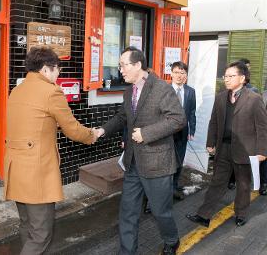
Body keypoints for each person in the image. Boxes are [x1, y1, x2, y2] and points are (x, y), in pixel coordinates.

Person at [3, 46, 98, 255]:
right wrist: (93, 134)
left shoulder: (17, 89)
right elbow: (72, 129)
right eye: (57, 70)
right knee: (41, 234)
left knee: (27, 226)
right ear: (46, 69)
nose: (58, 75)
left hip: (16, 168)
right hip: (36, 173)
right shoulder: (51, 91)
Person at [95, 47, 186, 255]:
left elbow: (178, 119)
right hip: (133, 162)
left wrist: (146, 133)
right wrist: (102, 130)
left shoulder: (162, 88)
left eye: (123, 65)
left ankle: (172, 240)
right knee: (128, 212)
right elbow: (122, 118)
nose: (120, 70)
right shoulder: (129, 92)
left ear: (137, 65)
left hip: (157, 163)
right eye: (119, 66)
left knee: (160, 211)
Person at [186, 61, 267, 228]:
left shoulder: (255, 99)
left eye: (231, 76)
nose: (227, 79)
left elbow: (262, 127)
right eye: (225, 76)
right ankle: (204, 215)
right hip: (223, 148)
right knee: (217, 182)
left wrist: (262, 151)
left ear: (243, 78)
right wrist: (210, 142)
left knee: (243, 185)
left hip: (246, 150)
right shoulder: (221, 97)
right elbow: (214, 121)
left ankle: (241, 214)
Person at [228, 58, 258, 189]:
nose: (248, 70)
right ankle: (231, 179)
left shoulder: (254, 91)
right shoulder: (227, 93)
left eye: (248, 67)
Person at [170, 61, 196, 200]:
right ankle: (161, 191)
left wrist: (192, 130)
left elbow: (192, 112)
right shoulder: (164, 90)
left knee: (179, 161)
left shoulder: (191, 91)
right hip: (166, 133)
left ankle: (173, 187)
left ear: (186, 75)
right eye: (176, 72)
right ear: (171, 74)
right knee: (165, 162)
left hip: (183, 132)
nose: (179, 76)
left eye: (182, 73)